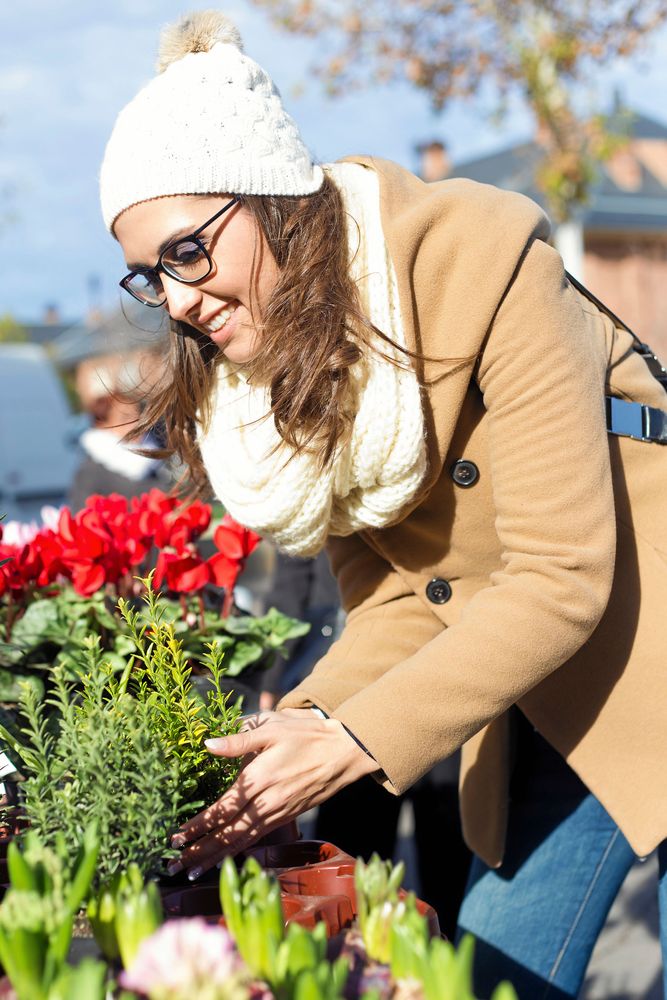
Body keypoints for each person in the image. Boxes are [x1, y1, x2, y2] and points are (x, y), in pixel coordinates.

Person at [99, 11, 667, 996]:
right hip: (539, 686)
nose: (178, 298)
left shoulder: (479, 257)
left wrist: (353, 741)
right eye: (151, 275)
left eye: (188, 251)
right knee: (488, 964)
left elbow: (561, 572)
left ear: (271, 197)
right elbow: (406, 600)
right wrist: (301, 728)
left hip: (642, 631)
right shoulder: (292, 379)